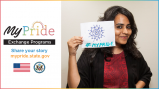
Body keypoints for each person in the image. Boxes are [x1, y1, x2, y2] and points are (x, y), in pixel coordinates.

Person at [66, 6, 152, 88]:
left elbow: (146, 74)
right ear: (107, 27)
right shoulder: (91, 53)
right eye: (119, 27)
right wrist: (72, 55)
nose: (126, 31)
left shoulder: (133, 53)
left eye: (128, 27)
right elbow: (74, 87)